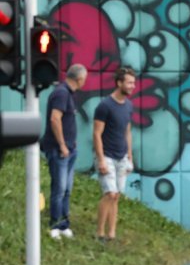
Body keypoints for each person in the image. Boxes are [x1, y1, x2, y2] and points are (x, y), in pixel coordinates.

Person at [40, 64, 88, 240]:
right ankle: (54, 225)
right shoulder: (61, 93)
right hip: (59, 150)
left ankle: (64, 224)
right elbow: (55, 119)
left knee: (67, 189)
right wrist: (62, 145)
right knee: (59, 189)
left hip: (69, 149)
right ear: (79, 79)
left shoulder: (67, 93)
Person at [93, 67, 136, 243]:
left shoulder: (128, 106)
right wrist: (101, 159)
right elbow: (96, 133)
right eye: (129, 83)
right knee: (109, 194)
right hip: (107, 156)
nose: (133, 86)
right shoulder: (104, 106)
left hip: (122, 157)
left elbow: (128, 132)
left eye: (133, 83)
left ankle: (112, 234)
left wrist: (130, 157)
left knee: (116, 195)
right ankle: (100, 233)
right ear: (119, 83)